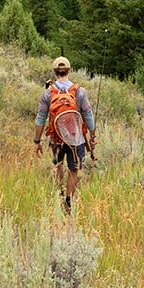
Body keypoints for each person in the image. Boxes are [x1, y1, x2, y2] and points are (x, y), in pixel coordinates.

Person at [33, 56, 97, 214]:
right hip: (77, 139)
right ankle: (68, 201)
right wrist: (93, 135)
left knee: (58, 164)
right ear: (69, 71)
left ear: (54, 72)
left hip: (57, 138)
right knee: (74, 170)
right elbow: (88, 116)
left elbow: (40, 118)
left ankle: (58, 192)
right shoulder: (79, 92)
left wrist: (37, 141)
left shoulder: (48, 93)